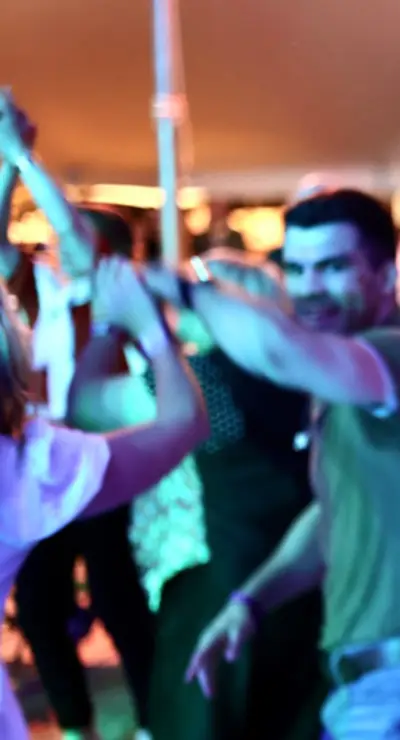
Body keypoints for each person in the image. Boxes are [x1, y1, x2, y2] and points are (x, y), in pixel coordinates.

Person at [146, 189, 400, 740]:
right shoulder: (344, 371)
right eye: (296, 269)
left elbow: (281, 351)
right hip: (372, 684)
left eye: (332, 267)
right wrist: (251, 601)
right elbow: (333, 518)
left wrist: (183, 289)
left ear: (384, 272)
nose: (308, 289)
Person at [69, 248, 327, 740]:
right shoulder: (307, 373)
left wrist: (111, 324)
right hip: (298, 582)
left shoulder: (207, 382)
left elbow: (86, 405)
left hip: (219, 592)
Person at [1, 93, 159, 740]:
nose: (61, 238)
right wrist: (8, 159)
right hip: (41, 461)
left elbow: (73, 236)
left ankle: (153, 722)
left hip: (99, 459)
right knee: (38, 608)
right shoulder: (36, 287)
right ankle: (76, 727)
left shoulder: (109, 294)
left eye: (79, 235)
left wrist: (22, 153)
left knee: (122, 602)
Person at [0, 256, 210, 739]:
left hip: (158, 534)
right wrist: (145, 328)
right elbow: (181, 424)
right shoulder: (21, 465)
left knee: (111, 604)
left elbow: (82, 409)